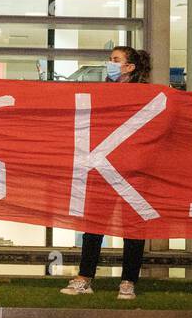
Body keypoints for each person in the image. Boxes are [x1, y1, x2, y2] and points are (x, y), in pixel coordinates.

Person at [60, 45, 152, 301]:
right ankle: (85, 277)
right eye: (110, 59)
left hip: (134, 169)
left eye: (115, 60)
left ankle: (127, 282)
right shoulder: (101, 92)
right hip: (102, 166)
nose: (109, 64)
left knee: (132, 228)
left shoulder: (146, 94)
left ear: (130, 67)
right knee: (94, 223)